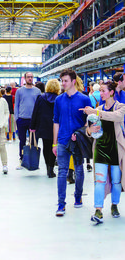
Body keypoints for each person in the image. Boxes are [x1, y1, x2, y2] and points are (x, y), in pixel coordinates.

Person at [82, 80, 125, 224]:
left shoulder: (120, 107)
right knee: (99, 181)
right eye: (99, 90)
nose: (101, 93)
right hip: (100, 149)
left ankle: (114, 205)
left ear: (112, 92)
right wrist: (89, 130)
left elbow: (116, 117)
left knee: (116, 181)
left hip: (115, 150)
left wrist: (96, 112)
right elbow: (87, 129)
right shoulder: (98, 108)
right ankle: (98, 210)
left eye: (103, 90)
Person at [53, 69, 92, 217]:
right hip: (62, 141)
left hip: (78, 142)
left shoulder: (84, 99)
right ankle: (61, 204)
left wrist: (81, 133)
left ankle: (78, 196)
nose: (63, 84)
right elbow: (56, 122)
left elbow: (90, 122)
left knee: (79, 170)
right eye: (62, 81)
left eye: (66, 81)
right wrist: (54, 143)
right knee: (62, 172)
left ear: (73, 81)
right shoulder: (59, 100)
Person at [31, 79, 61, 178]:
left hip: (43, 126)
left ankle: (48, 166)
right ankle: (51, 169)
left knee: (46, 147)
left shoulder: (40, 98)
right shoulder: (59, 99)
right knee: (54, 146)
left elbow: (35, 112)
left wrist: (32, 126)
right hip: (55, 127)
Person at [14, 72, 41, 168]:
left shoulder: (37, 91)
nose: (30, 78)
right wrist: (16, 118)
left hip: (33, 121)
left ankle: (32, 160)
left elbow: (39, 106)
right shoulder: (19, 91)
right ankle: (22, 159)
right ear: (24, 78)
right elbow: (16, 105)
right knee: (22, 141)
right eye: (28, 77)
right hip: (21, 119)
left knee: (33, 141)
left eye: (31, 77)